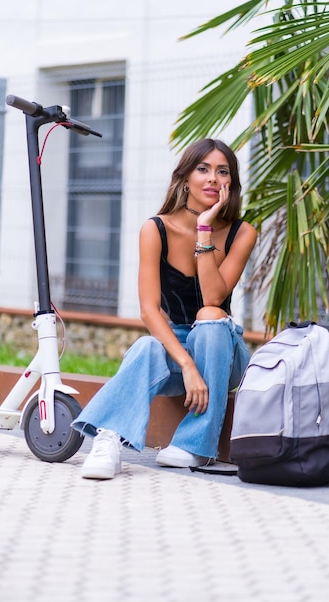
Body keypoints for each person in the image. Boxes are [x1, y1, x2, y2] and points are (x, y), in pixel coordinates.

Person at [72, 138, 258, 480]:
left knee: (210, 317)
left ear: (232, 183)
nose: (213, 179)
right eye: (203, 169)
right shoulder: (155, 229)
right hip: (178, 352)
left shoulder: (242, 232)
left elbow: (214, 297)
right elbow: (149, 311)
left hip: (224, 355)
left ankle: (197, 447)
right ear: (185, 178)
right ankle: (108, 438)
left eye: (222, 171)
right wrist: (186, 364)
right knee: (145, 346)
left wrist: (205, 230)